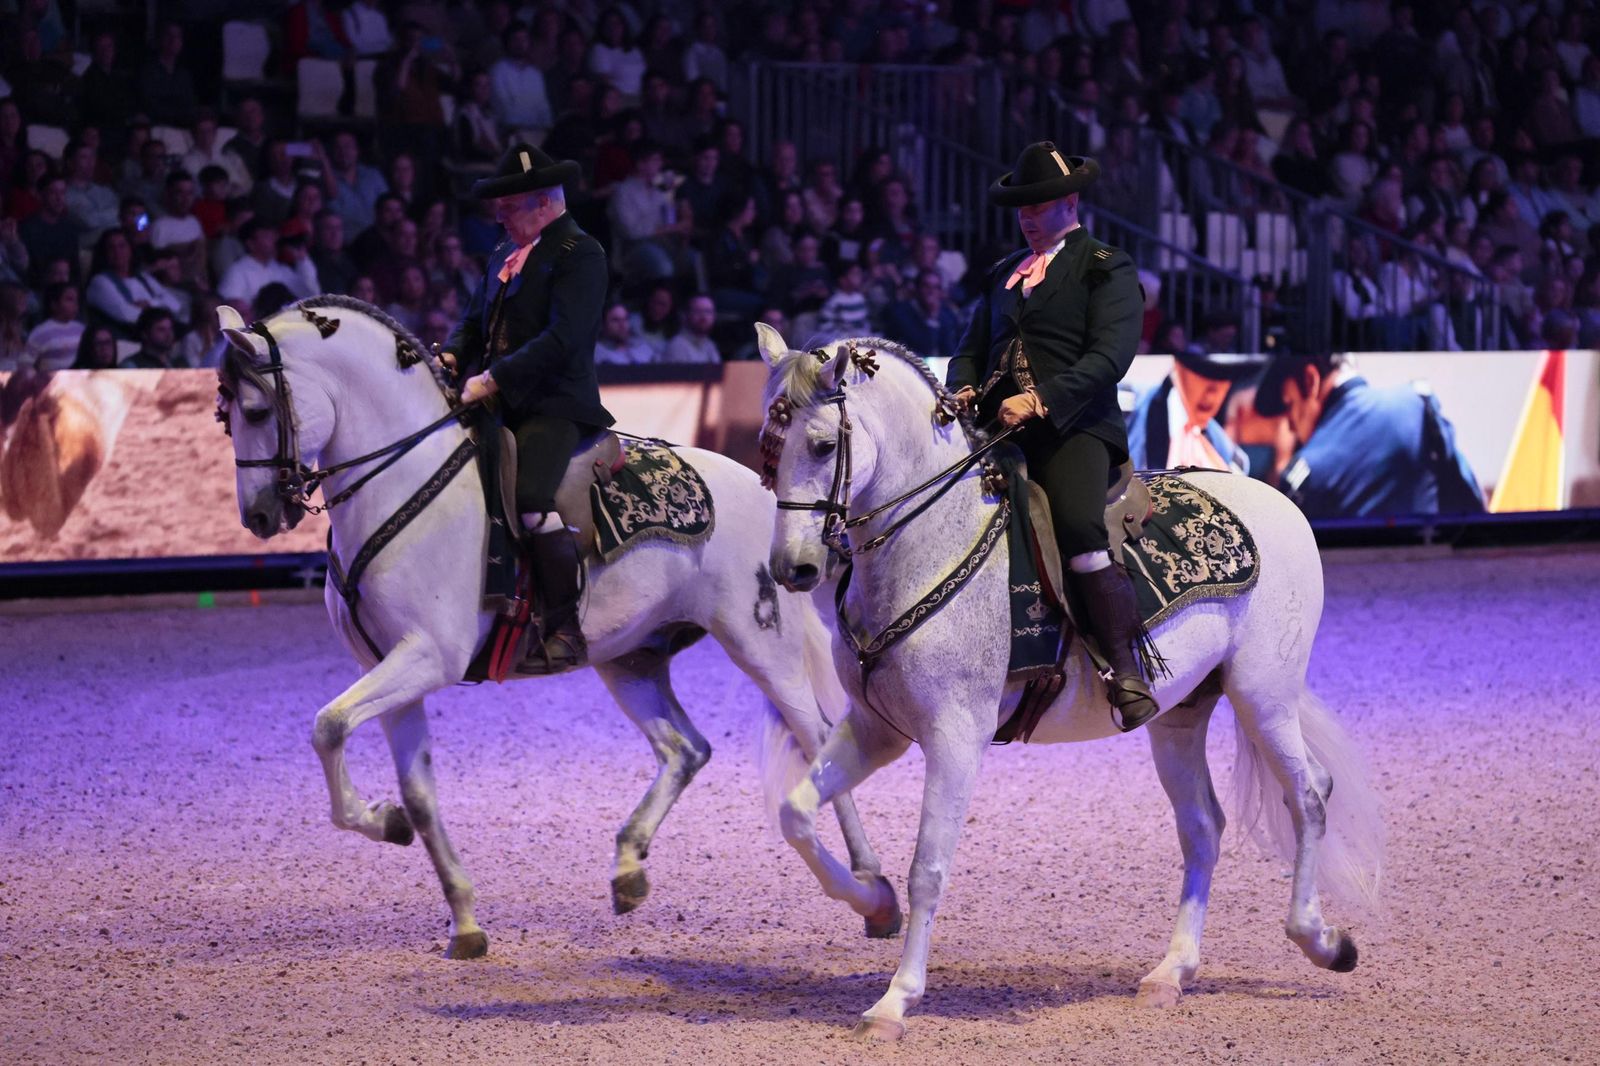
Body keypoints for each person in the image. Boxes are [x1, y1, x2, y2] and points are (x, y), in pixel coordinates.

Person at [945, 141, 1157, 731]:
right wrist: (961, 387)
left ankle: (1123, 669)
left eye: (1038, 209)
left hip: (1074, 427)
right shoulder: (1001, 274)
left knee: (1077, 526)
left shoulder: (1105, 266)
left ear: (1070, 203)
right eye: (1022, 211)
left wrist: (1041, 398)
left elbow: (1110, 357)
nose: (1028, 219)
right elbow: (969, 349)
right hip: (994, 424)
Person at [440, 144, 612, 672]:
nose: (498, 215)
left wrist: (492, 378)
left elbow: (564, 339)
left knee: (533, 501)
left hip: (554, 404)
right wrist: (450, 356)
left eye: (508, 206)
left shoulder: (580, 253)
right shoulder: (501, 255)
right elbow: (475, 322)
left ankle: (562, 626)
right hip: (497, 401)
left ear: (542, 204)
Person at [1253, 346, 1485, 519]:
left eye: (1289, 405)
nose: (1291, 427)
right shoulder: (1417, 404)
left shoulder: (1305, 472)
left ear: (1310, 380)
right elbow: (1472, 502)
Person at [1126, 347, 1259, 474]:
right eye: (1203, 375)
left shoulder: (1217, 439)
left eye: (1222, 379)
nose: (1212, 393)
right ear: (1179, 372)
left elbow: (1239, 467)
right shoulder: (1135, 404)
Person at [594, 300, 657, 364]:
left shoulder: (642, 347)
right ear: (603, 324)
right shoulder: (597, 353)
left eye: (625, 319)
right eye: (615, 320)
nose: (622, 325)